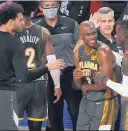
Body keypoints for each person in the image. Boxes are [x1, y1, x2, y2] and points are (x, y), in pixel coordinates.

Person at [0, 3, 64, 130]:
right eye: (20, 19)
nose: (23, 22)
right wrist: (47, 67)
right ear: (11, 22)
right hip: (4, 95)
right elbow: (24, 76)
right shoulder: (14, 43)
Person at [14, 1, 62, 131]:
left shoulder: (12, 31)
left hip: (18, 83)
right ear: (34, 10)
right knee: (35, 125)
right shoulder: (43, 32)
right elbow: (52, 61)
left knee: (12, 123)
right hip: (38, 84)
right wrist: (57, 86)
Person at [36, 1, 82, 131]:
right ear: (41, 7)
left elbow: (80, 48)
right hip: (48, 77)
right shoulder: (37, 28)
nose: (50, 8)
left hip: (70, 74)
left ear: (58, 5)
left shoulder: (71, 24)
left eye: (53, 5)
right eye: (47, 5)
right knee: (54, 116)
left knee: (75, 112)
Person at [73, 21, 119, 130]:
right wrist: (76, 77)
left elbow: (106, 84)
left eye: (94, 33)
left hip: (105, 102)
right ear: (80, 36)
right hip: (87, 100)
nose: (92, 37)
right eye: (88, 35)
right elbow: (79, 85)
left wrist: (85, 87)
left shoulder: (103, 51)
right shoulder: (78, 52)